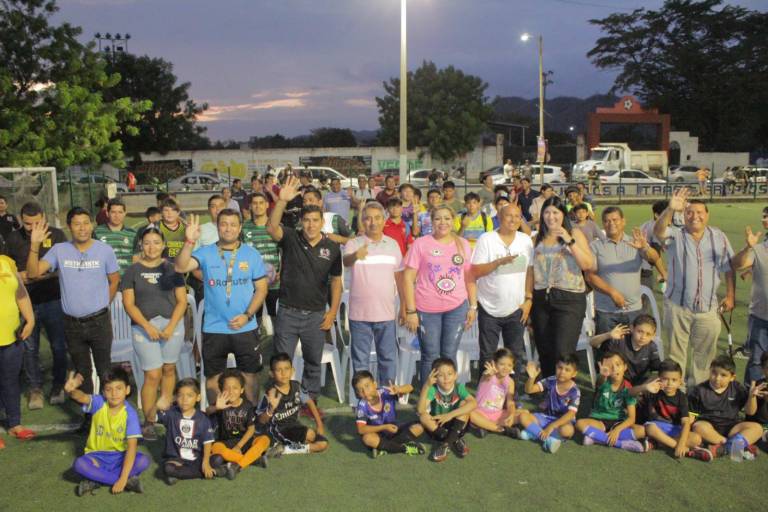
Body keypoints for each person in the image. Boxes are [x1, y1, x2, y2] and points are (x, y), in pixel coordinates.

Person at [26, 207, 120, 406]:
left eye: (86, 223)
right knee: (82, 372)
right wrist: (34, 244)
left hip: (99, 322)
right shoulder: (59, 250)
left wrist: (103, 304)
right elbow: (33, 273)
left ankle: (110, 417)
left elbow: (114, 281)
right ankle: (88, 418)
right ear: (69, 227)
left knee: (105, 371)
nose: (82, 228)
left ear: (91, 224)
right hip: (72, 324)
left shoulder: (105, 250)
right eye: (77, 224)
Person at [174, 210, 268, 404]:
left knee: (249, 375)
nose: (228, 228)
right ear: (218, 227)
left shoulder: (251, 254)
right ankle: (218, 419)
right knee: (213, 378)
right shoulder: (206, 252)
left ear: (240, 228)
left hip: (245, 326)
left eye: (233, 224)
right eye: (224, 224)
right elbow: (181, 267)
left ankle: (249, 418)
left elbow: (261, 290)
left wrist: (247, 315)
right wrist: (189, 241)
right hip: (214, 327)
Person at [267, 177, 342, 400]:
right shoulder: (291, 238)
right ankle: (281, 403)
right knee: (282, 362)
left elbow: (336, 281)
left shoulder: (331, 247)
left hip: (316, 316)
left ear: (322, 222)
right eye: (306, 220)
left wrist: (332, 312)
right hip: (288, 313)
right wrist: (281, 201)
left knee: (312, 363)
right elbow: (272, 228)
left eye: (315, 220)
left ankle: (310, 401)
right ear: (301, 222)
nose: (310, 225)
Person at [653, 188, 735, 384]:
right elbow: (658, 231)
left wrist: (731, 295)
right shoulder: (675, 235)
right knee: (675, 356)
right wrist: (670, 209)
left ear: (707, 215)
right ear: (683, 215)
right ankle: (675, 397)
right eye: (689, 212)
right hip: (677, 306)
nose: (695, 216)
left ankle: (697, 397)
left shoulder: (719, 237)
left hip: (708, 308)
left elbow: (729, 267)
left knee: (704, 358)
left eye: (699, 212)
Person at [121, 227, 187, 440]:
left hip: (172, 327)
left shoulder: (173, 269)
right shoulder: (132, 270)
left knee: (169, 369)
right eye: (147, 242)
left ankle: (165, 413)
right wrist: (147, 326)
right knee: (152, 374)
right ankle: (149, 421)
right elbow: (128, 304)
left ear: (163, 245)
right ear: (141, 244)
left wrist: (170, 327)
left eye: (156, 242)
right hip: (143, 328)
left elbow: (182, 301)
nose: (152, 247)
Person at [402, 205, 477, 384]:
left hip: (457, 308)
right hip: (427, 309)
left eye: (447, 218)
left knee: (449, 355)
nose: (442, 222)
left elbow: (469, 277)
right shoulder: (421, 243)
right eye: (438, 218)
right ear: (431, 221)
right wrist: (411, 311)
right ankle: (428, 400)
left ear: (453, 220)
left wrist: (473, 306)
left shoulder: (463, 244)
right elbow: (407, 277)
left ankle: (447, 399)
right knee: (430, 355)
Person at [6, 202, 69, 408]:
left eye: (37, 222)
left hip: (54, 299)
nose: (32, 227)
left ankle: (59, 385)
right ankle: (35, 389)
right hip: (25, 303)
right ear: (21, 220)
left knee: (59, 347)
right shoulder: (13, 239)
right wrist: (19, 277)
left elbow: (65, 268)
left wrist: (38, 275)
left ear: (44, 217)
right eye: (27, 224)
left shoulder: (58, 236)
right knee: (29, 348)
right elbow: (8, 269)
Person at [530, 196, 593, 377]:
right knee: (545, 351)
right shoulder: (536, 239)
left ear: (563, 214)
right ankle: (550, 395)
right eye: (547, 212)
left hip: (569, 300)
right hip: (541, 300)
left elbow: (587, 264)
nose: (551, 217)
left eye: (555, 212)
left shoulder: (574, 233)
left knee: (563, 352)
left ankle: (565, 396)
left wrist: (568, 240)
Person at [344, 202, 405, 386]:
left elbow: (400, 278)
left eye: (377, 218)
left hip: (386, 314)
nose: (373, 222)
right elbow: (346, 262)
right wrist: (356, 255)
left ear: (384, 220)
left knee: (387, 359)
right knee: (360, 361)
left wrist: (404, 307)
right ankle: (363, 401)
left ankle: (387, 401)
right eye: (368, 218)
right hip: (359, 315)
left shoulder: (393, 245)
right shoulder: (353, 243)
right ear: (363, 221)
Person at [471, 203, 533, 380]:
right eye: (509, 216)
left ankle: (513, 395)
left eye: (517, 216)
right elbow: (476, 271)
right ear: (499, 217)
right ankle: (486, 396)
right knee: (488, 355)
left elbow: (530, 271)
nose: (513, 220)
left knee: (514, 355)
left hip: (516, 308)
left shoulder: (525, 240)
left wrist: (529, 299)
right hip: (489, 307)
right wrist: (498, 263)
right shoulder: (487, 239)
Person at [64, 368, 148, 496]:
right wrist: (72, 391)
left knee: (143, 461)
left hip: (120, 457)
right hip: (96, 457)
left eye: (119, 388)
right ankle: (123, 482)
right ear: (103, 392)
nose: (114, 393)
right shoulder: (99, 403)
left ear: (127, 390)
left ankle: (96, 479)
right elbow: (82, 397)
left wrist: (123, 477)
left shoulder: (130, 414)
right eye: (109, 389)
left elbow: (132, 448)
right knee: (79, 464)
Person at [586, 206, 660, 335]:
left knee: (634, 350)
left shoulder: (635, 242)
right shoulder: (595, 246)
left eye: (615, 220)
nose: (611, 224)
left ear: (623, 221)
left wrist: (645, 247)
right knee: (607, 352)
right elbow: (590, 276)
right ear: (603, 223)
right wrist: (612, 292)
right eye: (607, 221)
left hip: (634, 310)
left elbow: (654, 258)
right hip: (606, 311)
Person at [156, 378, 232, 484]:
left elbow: (207, 442)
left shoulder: (202, 418)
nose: (184, 399)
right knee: (168, 468)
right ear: (176, 397)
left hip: (197, 459)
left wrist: (205, 462)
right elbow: (152, 418)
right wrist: (155, 406)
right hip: (176, 459)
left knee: (218, 459)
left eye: (189, 395)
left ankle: (178, 475)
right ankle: (215, 472)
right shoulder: (171, 414)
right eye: (180, 395)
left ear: (198, 397)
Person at [688, 355, 763, 460]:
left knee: (757, 428)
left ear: (732, 377)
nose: (717, 378)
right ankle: (736, 446)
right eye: (714, 373)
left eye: (723, 375)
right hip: (709, 427)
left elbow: (750, 412)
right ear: (710, 371)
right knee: (698, 427)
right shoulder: (698, 391)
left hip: (732, 428)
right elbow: (691, 418)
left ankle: (723, 448)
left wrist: (752, 396)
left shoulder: (737, 388)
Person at [256, 353, 328, 454]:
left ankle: (284, 449)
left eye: (286, 369)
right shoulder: (270, 395)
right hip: (278, 432)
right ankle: (284, 448)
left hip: (293, 426)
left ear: (292, 370)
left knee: (319, 441)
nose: (283, 373)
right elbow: (260, 421)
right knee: (321, 444)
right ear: (271, 374)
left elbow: (309, 402)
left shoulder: (296, 387)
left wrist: (319, 424)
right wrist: (271, 409)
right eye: (278, 370)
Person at [575, 351, 645, 452]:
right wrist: (603, 375)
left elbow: (631, 418)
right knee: (579, 423)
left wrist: (616, 430)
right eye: (610, 366)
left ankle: (596, 438)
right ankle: (620, 444)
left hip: (618, 422)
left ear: (625, 367)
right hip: (599, 421)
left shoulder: (628, 388)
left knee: (641, 430)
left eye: (618, 364)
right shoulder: (603, 381)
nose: (615, 368)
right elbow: (600, 381)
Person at [0, 252, 36, 448]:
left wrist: (30, 319)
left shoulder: (6, 262)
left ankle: (15, 423)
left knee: (10, 380)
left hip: (12, 336)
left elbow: (20, 292)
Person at [731, 211, 768, 384]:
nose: (764, 220)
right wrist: (747, 247)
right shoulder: (759, 249)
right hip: (761, 317)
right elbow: (737, 264)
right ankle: (752, 405)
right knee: (756, 362)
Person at [207, 369, 270, 472]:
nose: (231, 391)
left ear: (241, 390)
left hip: (244, 442)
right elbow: (207, 412)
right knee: (216, 448)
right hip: (225, 443)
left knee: (264, 440)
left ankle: (238, 465)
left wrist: (238, 446)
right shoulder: (220, 404)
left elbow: (251, 429)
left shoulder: (247, 405)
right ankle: (253, 460)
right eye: (227, 388)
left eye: (235, 388)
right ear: (221, 390)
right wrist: (216, 408)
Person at [642, 359, 706, 460]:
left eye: (674, 380)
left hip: (674, 429)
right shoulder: (653, 391)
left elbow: (685, 423)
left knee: (696, 438)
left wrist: (681, 442)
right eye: (665, 379)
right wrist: (680, 445)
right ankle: (685, 451)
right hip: (657, 427)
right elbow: (634, 396)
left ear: (680, 382)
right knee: (649, 428)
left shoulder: (682, 397)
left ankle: (658, 443)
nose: (669, 383)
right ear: (658, 379)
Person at [352, 370, 425, 457]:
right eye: (360, 390)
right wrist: (384, 427)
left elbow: (410, 387)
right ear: (358, 394)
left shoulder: (385, 392)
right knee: (367, 438)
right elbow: (361, 429)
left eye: (367, 386)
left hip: (394, 428)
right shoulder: (362, 405)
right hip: (377, 433)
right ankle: (403, 448)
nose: (365, 392)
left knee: (419, 427)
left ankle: (384, 447)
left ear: (375, 384)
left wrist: (399, 389)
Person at [518, 354, 581, 453]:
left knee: (568, 431)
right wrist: (531, 378)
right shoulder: (551, 380)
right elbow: (529, 390)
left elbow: (570, 414)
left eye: (567, 370)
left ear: (574, 374)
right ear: (556, 367)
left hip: (563, 422)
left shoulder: (575, 391)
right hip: (546, 417)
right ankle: (548, 439)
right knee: (523, 416)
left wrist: (552, 426)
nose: (562, 372)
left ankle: (534, 433)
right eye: (560, 368)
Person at [417, 358, 477, 462]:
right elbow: (420, 410)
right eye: (441, 375)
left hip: (456, 424)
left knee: (464, 404)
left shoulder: (459, 388)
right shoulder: (433, 389)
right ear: (434, 377)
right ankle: (455, 439)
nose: (446, 378)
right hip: (438, 428)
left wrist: (450, 415)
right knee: (423, 416)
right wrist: (427, 385)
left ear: (455, 375)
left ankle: (446, 444)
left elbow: (473, 403)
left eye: (449, 374)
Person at [241, 192, 281, 326]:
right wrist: (245, 272)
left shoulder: (275, 227)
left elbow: (286, 252)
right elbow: (239, 254)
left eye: (261, 203)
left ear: (267, 205)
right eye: (254, 203)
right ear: (250, 207)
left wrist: (282, 272)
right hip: (251, 284)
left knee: (276, 318)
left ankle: (278, 345)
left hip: (274, 282)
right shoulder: (244, 227)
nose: (258, 206)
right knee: (252, 317)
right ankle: (254, 344)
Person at [589, 315, 661, 388]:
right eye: (640, 331)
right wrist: (608, 335)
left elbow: (657, 371)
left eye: (648, 334)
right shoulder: (620, 339)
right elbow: (592, 343)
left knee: (660, 379)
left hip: (638, 383)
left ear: (653, 335)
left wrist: (644, 386)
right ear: (632, 328)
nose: (643, 337)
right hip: (616, 379)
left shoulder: (652, 347)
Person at [468, 349, 518, 438]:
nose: (505, 368)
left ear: (513, 366)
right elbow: (487, 376)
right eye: (502, 364)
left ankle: (484, 427)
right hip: (480, 412)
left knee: (523, 413)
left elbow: (510, 402)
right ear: (494, 364)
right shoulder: (488, 375)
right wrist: (488, 374)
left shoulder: (510, 382)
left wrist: (511, 414)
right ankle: (500, 429)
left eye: (509, 365)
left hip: (497, 414)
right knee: (470, 413)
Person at [93, 198, 136, 275]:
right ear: (107, 213)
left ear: (125, 213)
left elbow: (137, 258)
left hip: (127, 281)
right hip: (105, 281)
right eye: (113, 212)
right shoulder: (96, 232)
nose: (117, 216)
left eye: (120, 212)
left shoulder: (133, 233)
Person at [637, 201, 669, 293]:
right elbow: (655, 256)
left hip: (637, 267)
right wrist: (663, 274)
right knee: (644, 300)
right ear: (657, 215)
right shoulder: (656, 227)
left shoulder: (647, 224)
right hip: (643, 270)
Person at [745, 352, 768, 428]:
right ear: (763, 368)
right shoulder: (758, 386)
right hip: (757, 426)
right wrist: (752, 396)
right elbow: (750, 413)